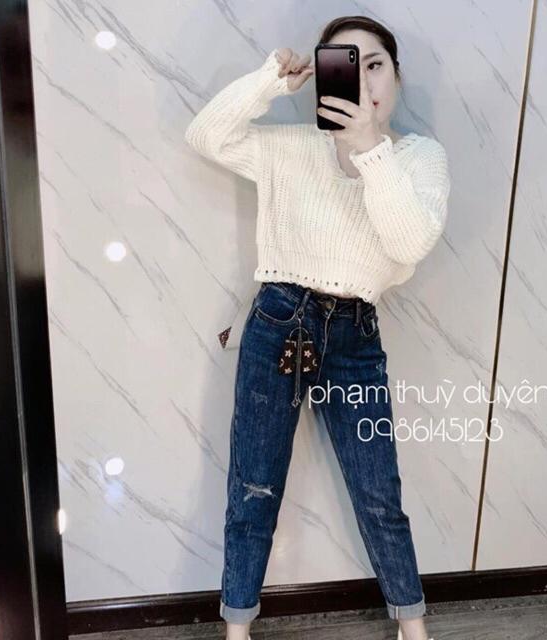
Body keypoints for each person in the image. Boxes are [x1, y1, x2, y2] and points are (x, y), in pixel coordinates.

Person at [184, 14, 449, 640]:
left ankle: (413, 627)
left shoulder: (419, 158)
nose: (365, 81)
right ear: (327, 77)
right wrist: (270, 81)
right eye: (347, 67)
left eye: (374, 64)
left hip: (356, 334)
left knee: (378, 491)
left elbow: (408, 244)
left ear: (396, 74)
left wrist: (371, 150)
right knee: (254, 486)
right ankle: (237, 629)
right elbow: (205, 136)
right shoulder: (293, 147)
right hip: (280, 320)